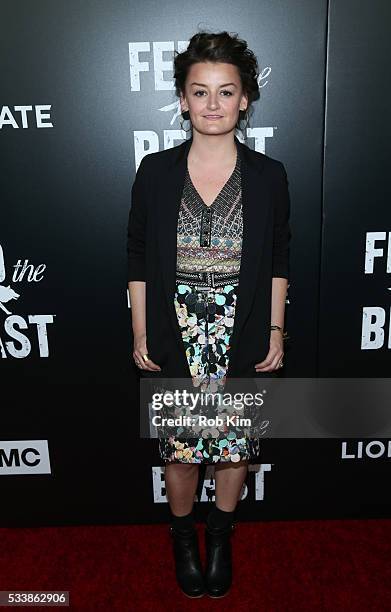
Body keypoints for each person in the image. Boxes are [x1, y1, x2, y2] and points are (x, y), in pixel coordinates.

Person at [127, 30, 292, 599]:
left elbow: (277, 258)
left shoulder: (270, 176)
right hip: (176, 328)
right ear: (182, 100)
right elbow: (138, 255)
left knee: (232, 448)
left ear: (245, 98)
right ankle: (181, 537)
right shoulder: (155, 171)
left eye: (226, 92)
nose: (213, 105)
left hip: (241, 330)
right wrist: (141, 329)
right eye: (201, 93)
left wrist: (275, 329)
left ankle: (220, 537)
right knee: (180, 450)